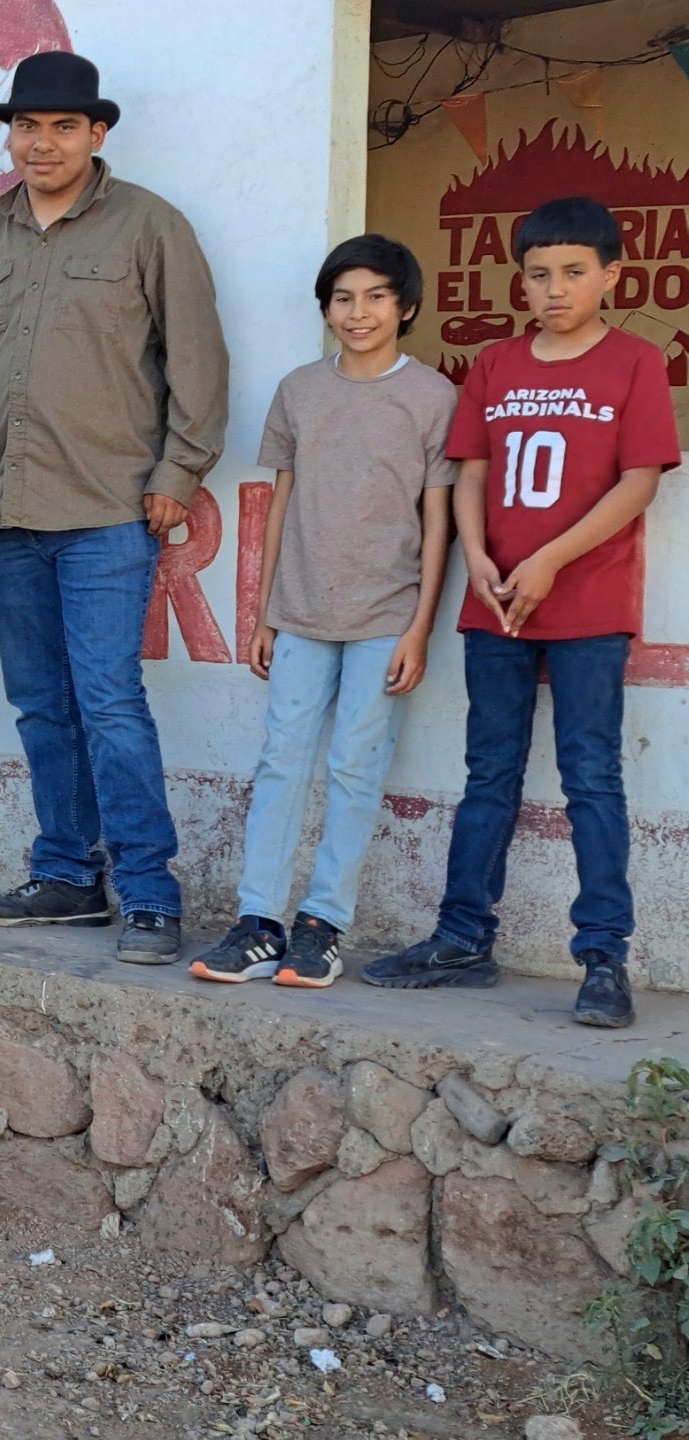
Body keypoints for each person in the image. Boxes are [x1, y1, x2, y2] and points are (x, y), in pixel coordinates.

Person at [0, 51, 229, 963]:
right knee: (40, 705)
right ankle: (65, 874)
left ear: (98, 134)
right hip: (9, 513)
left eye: (62, 126)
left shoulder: (149, 227)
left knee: (108, 701)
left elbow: (198, 363)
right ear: (8, 136)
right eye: (26, 126)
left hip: (107, 511)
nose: (41, 142)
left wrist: (180, 471)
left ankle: (147, 892)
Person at [364, 197, 681, 1027]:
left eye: (574, 273)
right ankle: (463, 938)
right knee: (489, 774)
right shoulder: (496, 364)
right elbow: (468, 472)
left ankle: (604, 956)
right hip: (495, 603)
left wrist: (549, 559)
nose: (554, 288)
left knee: (591, 777)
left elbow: (639, 480)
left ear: (612, 276)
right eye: (539, 274)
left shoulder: (635, 362)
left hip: (587, 603)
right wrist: (479, 554)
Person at [190, 235, 455, 990]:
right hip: (301, 612)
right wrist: (264, 612)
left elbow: (439, 522)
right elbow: (281, 505)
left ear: (405, 306)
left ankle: (322, 925)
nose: (358, 312)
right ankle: (258, 921)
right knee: (280, 762)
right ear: (326, 309)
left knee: (353, 768)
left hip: (384, 618)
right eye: (343, 298)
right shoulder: (300, 390)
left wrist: (418, 628)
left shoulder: (432, 397)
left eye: (375, 297)